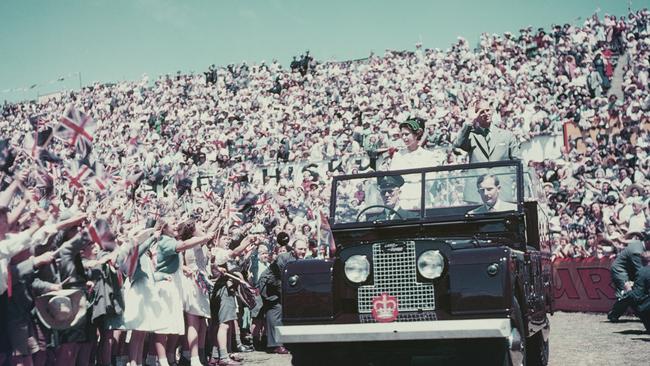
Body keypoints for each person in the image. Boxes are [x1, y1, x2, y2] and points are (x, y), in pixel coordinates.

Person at [389, 118, 441, 210]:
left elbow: (429, 182)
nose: (404, 137)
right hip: (402, 201)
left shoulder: (429, 156)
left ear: (416, 134)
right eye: (402, 134)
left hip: (422, 201)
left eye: (407, 134)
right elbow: (393, 180)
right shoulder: (398, 156)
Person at [454, 100, 521, 162]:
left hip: (502, 174)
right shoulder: (471, 136)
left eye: (487, 110)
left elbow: (518, 161)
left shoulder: (507, 135)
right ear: (476, 115)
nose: (486, 114)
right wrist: (470, 120)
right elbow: (458, 144)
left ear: (491, 111)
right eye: (482, 112)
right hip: (479, 175)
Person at [608, 231, 648, 322]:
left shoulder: (639, 244)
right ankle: (614, 314)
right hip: (620, 271)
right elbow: (642, 272)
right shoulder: (637, 251)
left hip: (628, 269)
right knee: (627, 294)